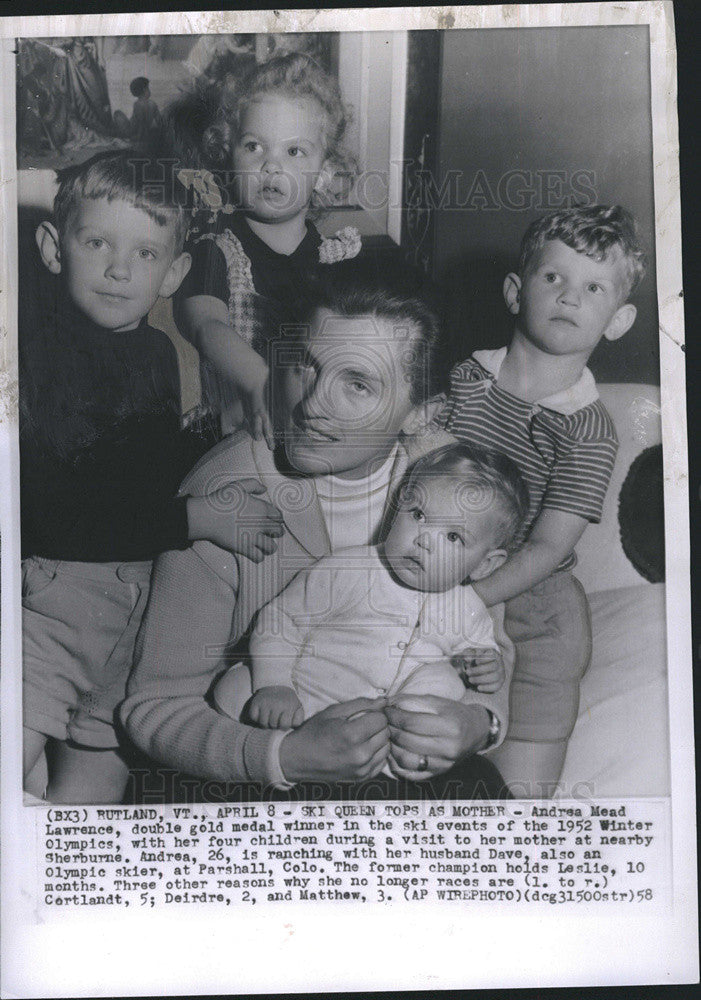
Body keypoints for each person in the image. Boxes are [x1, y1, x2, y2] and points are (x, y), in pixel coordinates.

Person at [121, 266, 513, 797]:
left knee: (483, 794)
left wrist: (481, 723)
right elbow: (154, 708)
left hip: (390, 754)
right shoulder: (225, 489)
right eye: (306, 366)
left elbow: (487, 649)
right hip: (255, 766)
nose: (311, 405)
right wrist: (286, 756)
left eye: (357, 384)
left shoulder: (457, 492)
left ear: (422, 413)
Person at [20, 150, 284, 804]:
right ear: (54, 248)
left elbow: (137, 472)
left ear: (174, 273)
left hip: (139, 612)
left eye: (145, 253)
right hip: (59, 603)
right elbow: (58, 513)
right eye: (97, 242)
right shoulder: (41, 356)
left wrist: (198, 451)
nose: (118, 268)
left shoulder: (161, 351)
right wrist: (200, 518)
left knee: (95, 790)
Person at [441, 205, 647, 797]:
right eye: (553, 277)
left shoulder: (589, 429)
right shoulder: (465, 381)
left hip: (536, 609)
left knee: (518, 800)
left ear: (618, 319)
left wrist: (468, 599)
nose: (569, 296)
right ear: (515, 291)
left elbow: (550, 543)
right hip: (444, 573)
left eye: (594, 287)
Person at [215, 442, 529, 782]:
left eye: (453, 536)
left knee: (444, 682)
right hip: (302, 714)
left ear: (484, 564)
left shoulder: (469, 611)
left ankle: (408, 746)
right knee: (235, 693)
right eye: (418, 515)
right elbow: (282, 619)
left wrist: (487, 668)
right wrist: (274, 685)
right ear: (397, 508)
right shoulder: (350, 569)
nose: (424, 539)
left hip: (381, 746)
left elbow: (481, 663)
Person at [173, 51, 361, 445]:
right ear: (229, 156)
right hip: (239, 432)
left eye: (294, 152)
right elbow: (205, 324)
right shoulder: (215, 250)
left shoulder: (336, 260)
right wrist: (260, 381)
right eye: (255, 146)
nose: (271, 166)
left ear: (324, 174)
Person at [128, 76, 162, 145]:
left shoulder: (137, 104)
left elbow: (141, 124)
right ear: (144, 90)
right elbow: (159, 121)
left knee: (118, 115)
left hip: (139, 134)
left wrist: (139, 138)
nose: (149, 90)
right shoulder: (153, 104)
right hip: (148, 134)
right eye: (148, 88)